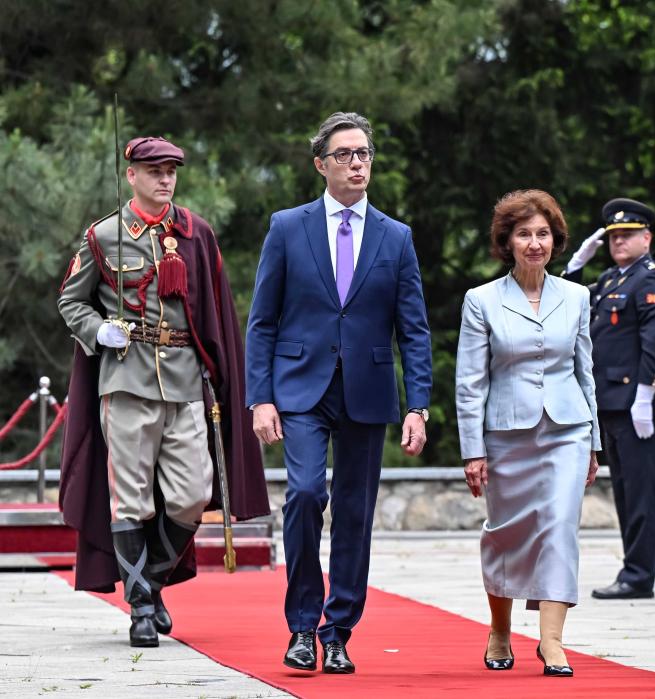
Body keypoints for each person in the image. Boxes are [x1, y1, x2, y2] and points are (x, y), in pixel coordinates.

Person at [57, 136, 267, 648]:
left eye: (171, 170)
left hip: (185, 381)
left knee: (194, 494)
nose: (165, 179)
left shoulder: (196, 234)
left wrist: (221, 376)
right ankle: (141, 610)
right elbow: (71, 301)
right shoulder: (104, 236)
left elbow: (215, 309)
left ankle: (148, 581)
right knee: (129, 497)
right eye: (154, 170)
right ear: (132, 175)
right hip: (126, 381)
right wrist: (98, 331)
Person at [246, 112, 433, 674]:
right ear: (321, 165)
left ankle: (338, 631)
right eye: (346, 154)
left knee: (355, 511)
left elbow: (414, 329)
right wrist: (261, 397)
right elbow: (262, 322)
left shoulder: (395, 237)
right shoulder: (287, 227)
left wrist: (417, 406)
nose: (357, 162)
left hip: (368, 391)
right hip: (300, 387)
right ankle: (301, 626)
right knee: (305, 495)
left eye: (364, 154)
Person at [456, 190, 600, 677]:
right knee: (505, 534)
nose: (534, 243)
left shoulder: (577, 296)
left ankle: (552, 642)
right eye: (524, 234)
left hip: (567, 430)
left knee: (560, 526)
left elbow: (586, 371)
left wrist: (594, 441)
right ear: (508, 242)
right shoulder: (481, 301)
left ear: (554, 240)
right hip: (505, 435)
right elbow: (470, 381)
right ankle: (500, 629)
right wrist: (472, 451)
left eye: (542, 234)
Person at [566, 198, 655, 600]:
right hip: (610, 401)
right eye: (612, 236)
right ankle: (632, 568)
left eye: (627, 235)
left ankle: (639, 575)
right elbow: (565, 297)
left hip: (634, 402)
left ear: (647, 238)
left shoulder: (650, 278)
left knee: (641, 493)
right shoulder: (612, 278)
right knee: (625, 492)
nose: (618, 241)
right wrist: (579, 262)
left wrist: (645, 394)